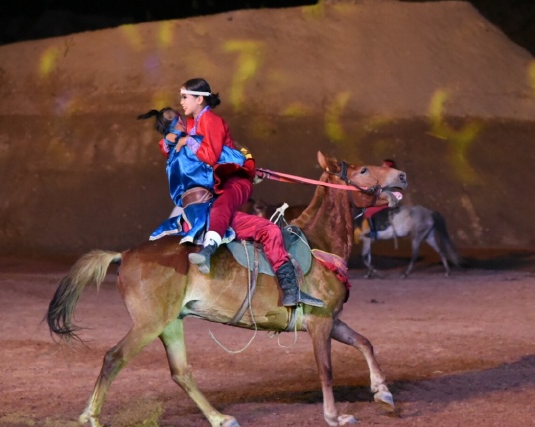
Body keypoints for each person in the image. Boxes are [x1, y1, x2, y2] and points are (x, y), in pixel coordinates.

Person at [139, 78, 324, 308]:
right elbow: (175, 138)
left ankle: (211, 250)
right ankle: (289, 288)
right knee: (267, 229)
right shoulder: (190, 127)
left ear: (199, 98)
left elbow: (210, 156)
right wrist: (178, 137)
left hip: (232, 183)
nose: (181, 101)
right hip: (212, 196)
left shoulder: (209, 122)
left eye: (184, 97)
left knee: (224, 208)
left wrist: (185, 140)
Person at [363, 159, 398, 238]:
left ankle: (373, 232)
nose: (382, 166)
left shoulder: (391, 178)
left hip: (387, 201)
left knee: (368, 211)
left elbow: (386, 191)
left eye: (384, 165)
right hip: (383, 198)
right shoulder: (384, 177)